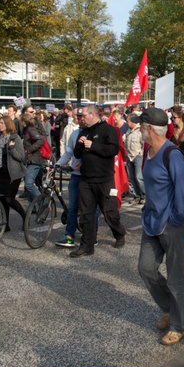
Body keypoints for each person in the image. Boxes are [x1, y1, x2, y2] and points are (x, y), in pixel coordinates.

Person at [132, 107, 184, 346]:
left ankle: (178, 326)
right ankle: (171, 308)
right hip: (151, 222)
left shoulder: (173, 154)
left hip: (172, 225)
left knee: (175, 276)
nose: (139, 128)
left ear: (150, 129)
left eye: (141, 125)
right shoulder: (149, 151)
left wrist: (176, 221)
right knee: (145, 268)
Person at [69, 103, 127, 258]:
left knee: (109, 211)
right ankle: (86, 245)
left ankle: (119, 233)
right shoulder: (85, 131)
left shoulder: (108, 130)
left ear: (92, 115)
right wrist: (80, 145)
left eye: (84, 115)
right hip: (86, 179)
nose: (81, 119)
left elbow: (113, 150)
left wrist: (93, 145)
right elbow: (77, 154)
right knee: (86, 213)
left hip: (104, 179)